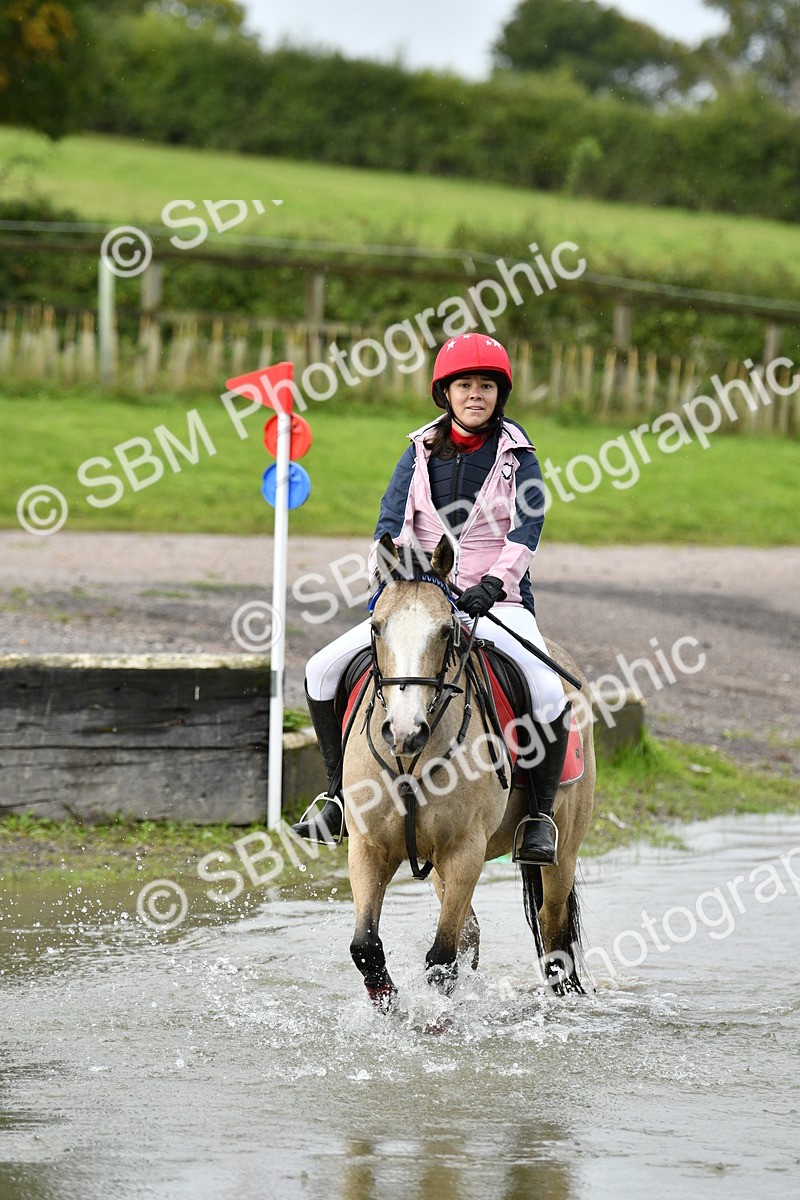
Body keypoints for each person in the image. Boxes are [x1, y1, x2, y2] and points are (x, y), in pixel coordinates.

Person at [292, 331, 571, 865]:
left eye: (485, 386)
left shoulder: (519, 454)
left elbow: (527, 530)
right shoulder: (417, 449)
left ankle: (537, 816)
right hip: (418, 599)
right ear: (446, 393)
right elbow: (389, 526)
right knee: (320, 669)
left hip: (498, 601)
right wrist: (398, 582)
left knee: (546, 688)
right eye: (464, 385)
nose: (475, 394)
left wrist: (493, 585)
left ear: (499, 394)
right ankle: (334, 796)